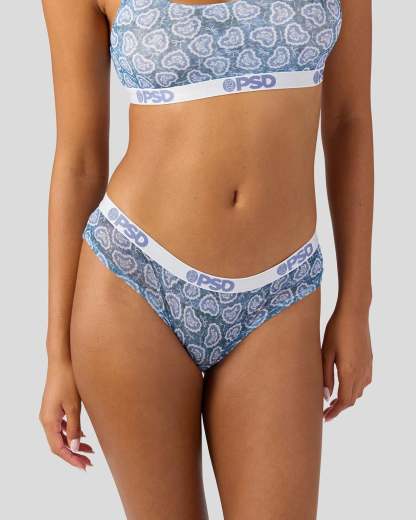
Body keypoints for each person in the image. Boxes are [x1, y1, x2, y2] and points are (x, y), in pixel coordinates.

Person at [39, 0, 373, 518]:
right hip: (136, 279)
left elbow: (349, 121)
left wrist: (356, 305)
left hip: (280, 291)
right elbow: (79, 161)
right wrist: (57, 355)